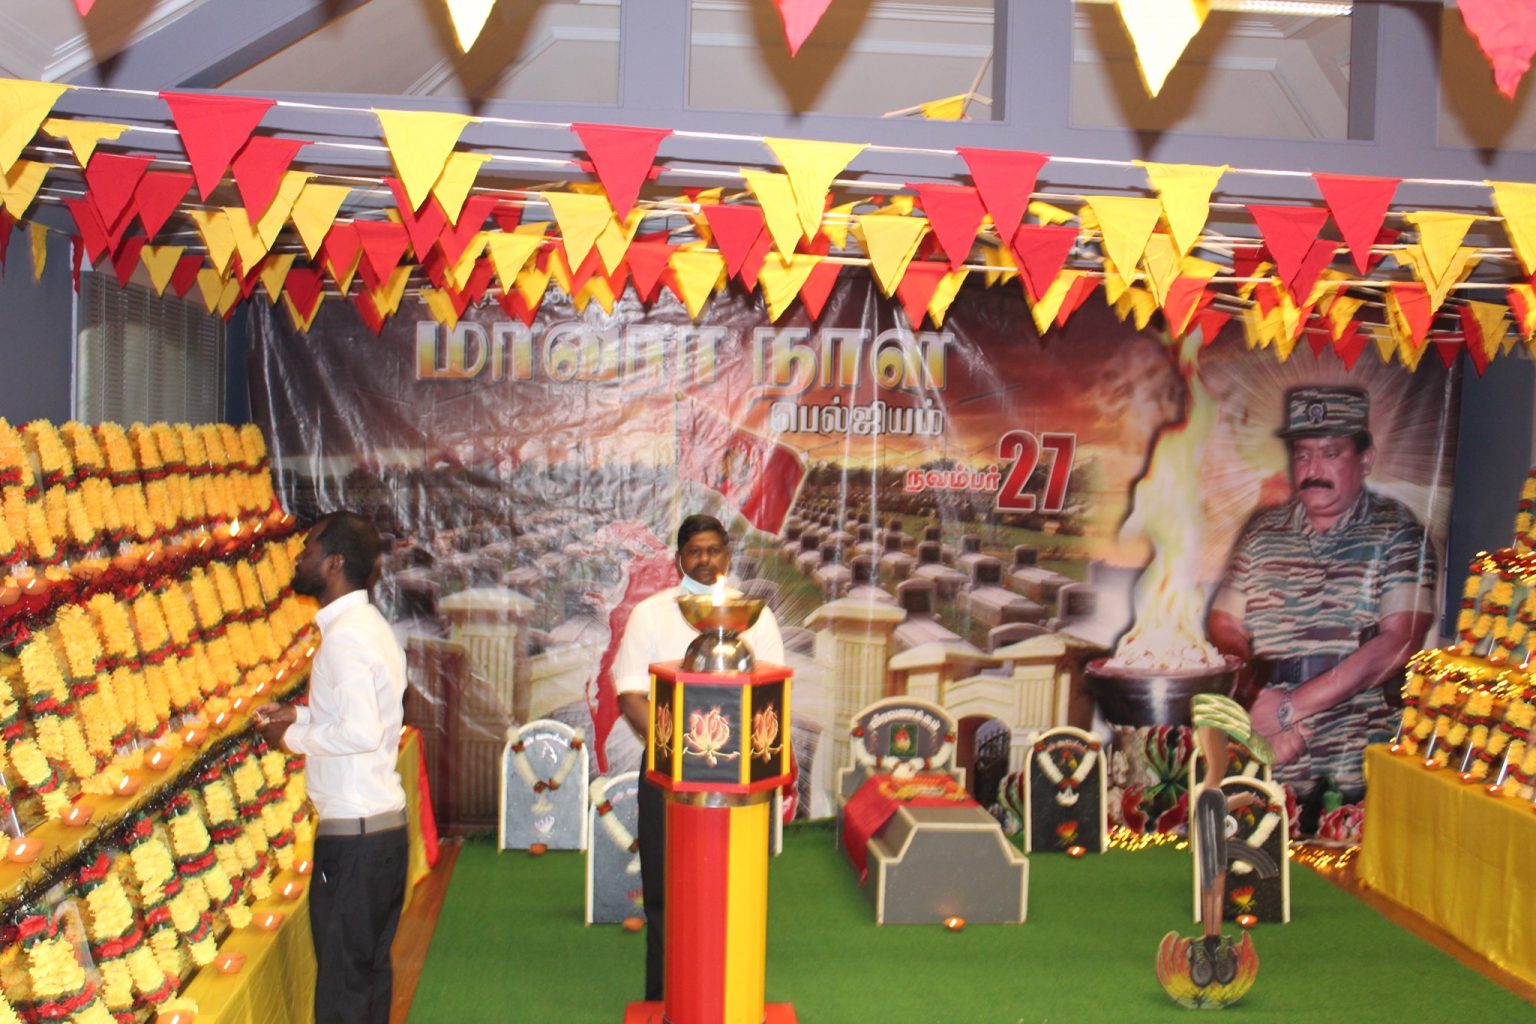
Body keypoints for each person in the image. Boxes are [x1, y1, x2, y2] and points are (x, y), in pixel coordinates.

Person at [1207, 385, 1436, 823]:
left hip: (1353, 753)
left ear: (1365, 459)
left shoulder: (1399, 534)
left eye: (1331, 453)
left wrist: (1289, 708)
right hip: (1265, 746)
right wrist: (1255, 699)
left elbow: (1399, 640)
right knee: (1254, 855)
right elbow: (1224, 622)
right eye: (1303, 454)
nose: (1313, 469)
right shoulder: (1262, 533)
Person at [610, 514, 784, 1003]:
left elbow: (771, 694)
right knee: (667, 894)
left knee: (735, 894)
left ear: (728, 555)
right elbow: (630, 695)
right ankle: (664, 999)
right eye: (694, 551)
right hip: (667, 778)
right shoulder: (651, 614)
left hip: (739, 787)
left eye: (714, 550)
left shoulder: (756, 617)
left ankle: (735, 1000)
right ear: (678, 559)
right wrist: (678, 755)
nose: (705, 560)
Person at [255, 511, 407, 1024]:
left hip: (356, 841)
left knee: (344, 991)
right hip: (378, 833)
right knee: (365, 980)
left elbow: (361, 732)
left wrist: (291, 737)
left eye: (308, 549)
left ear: (334, 563)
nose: (299, 557)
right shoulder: (369, 627)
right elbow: (362, 717)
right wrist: (297, 715)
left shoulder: (346, 639)